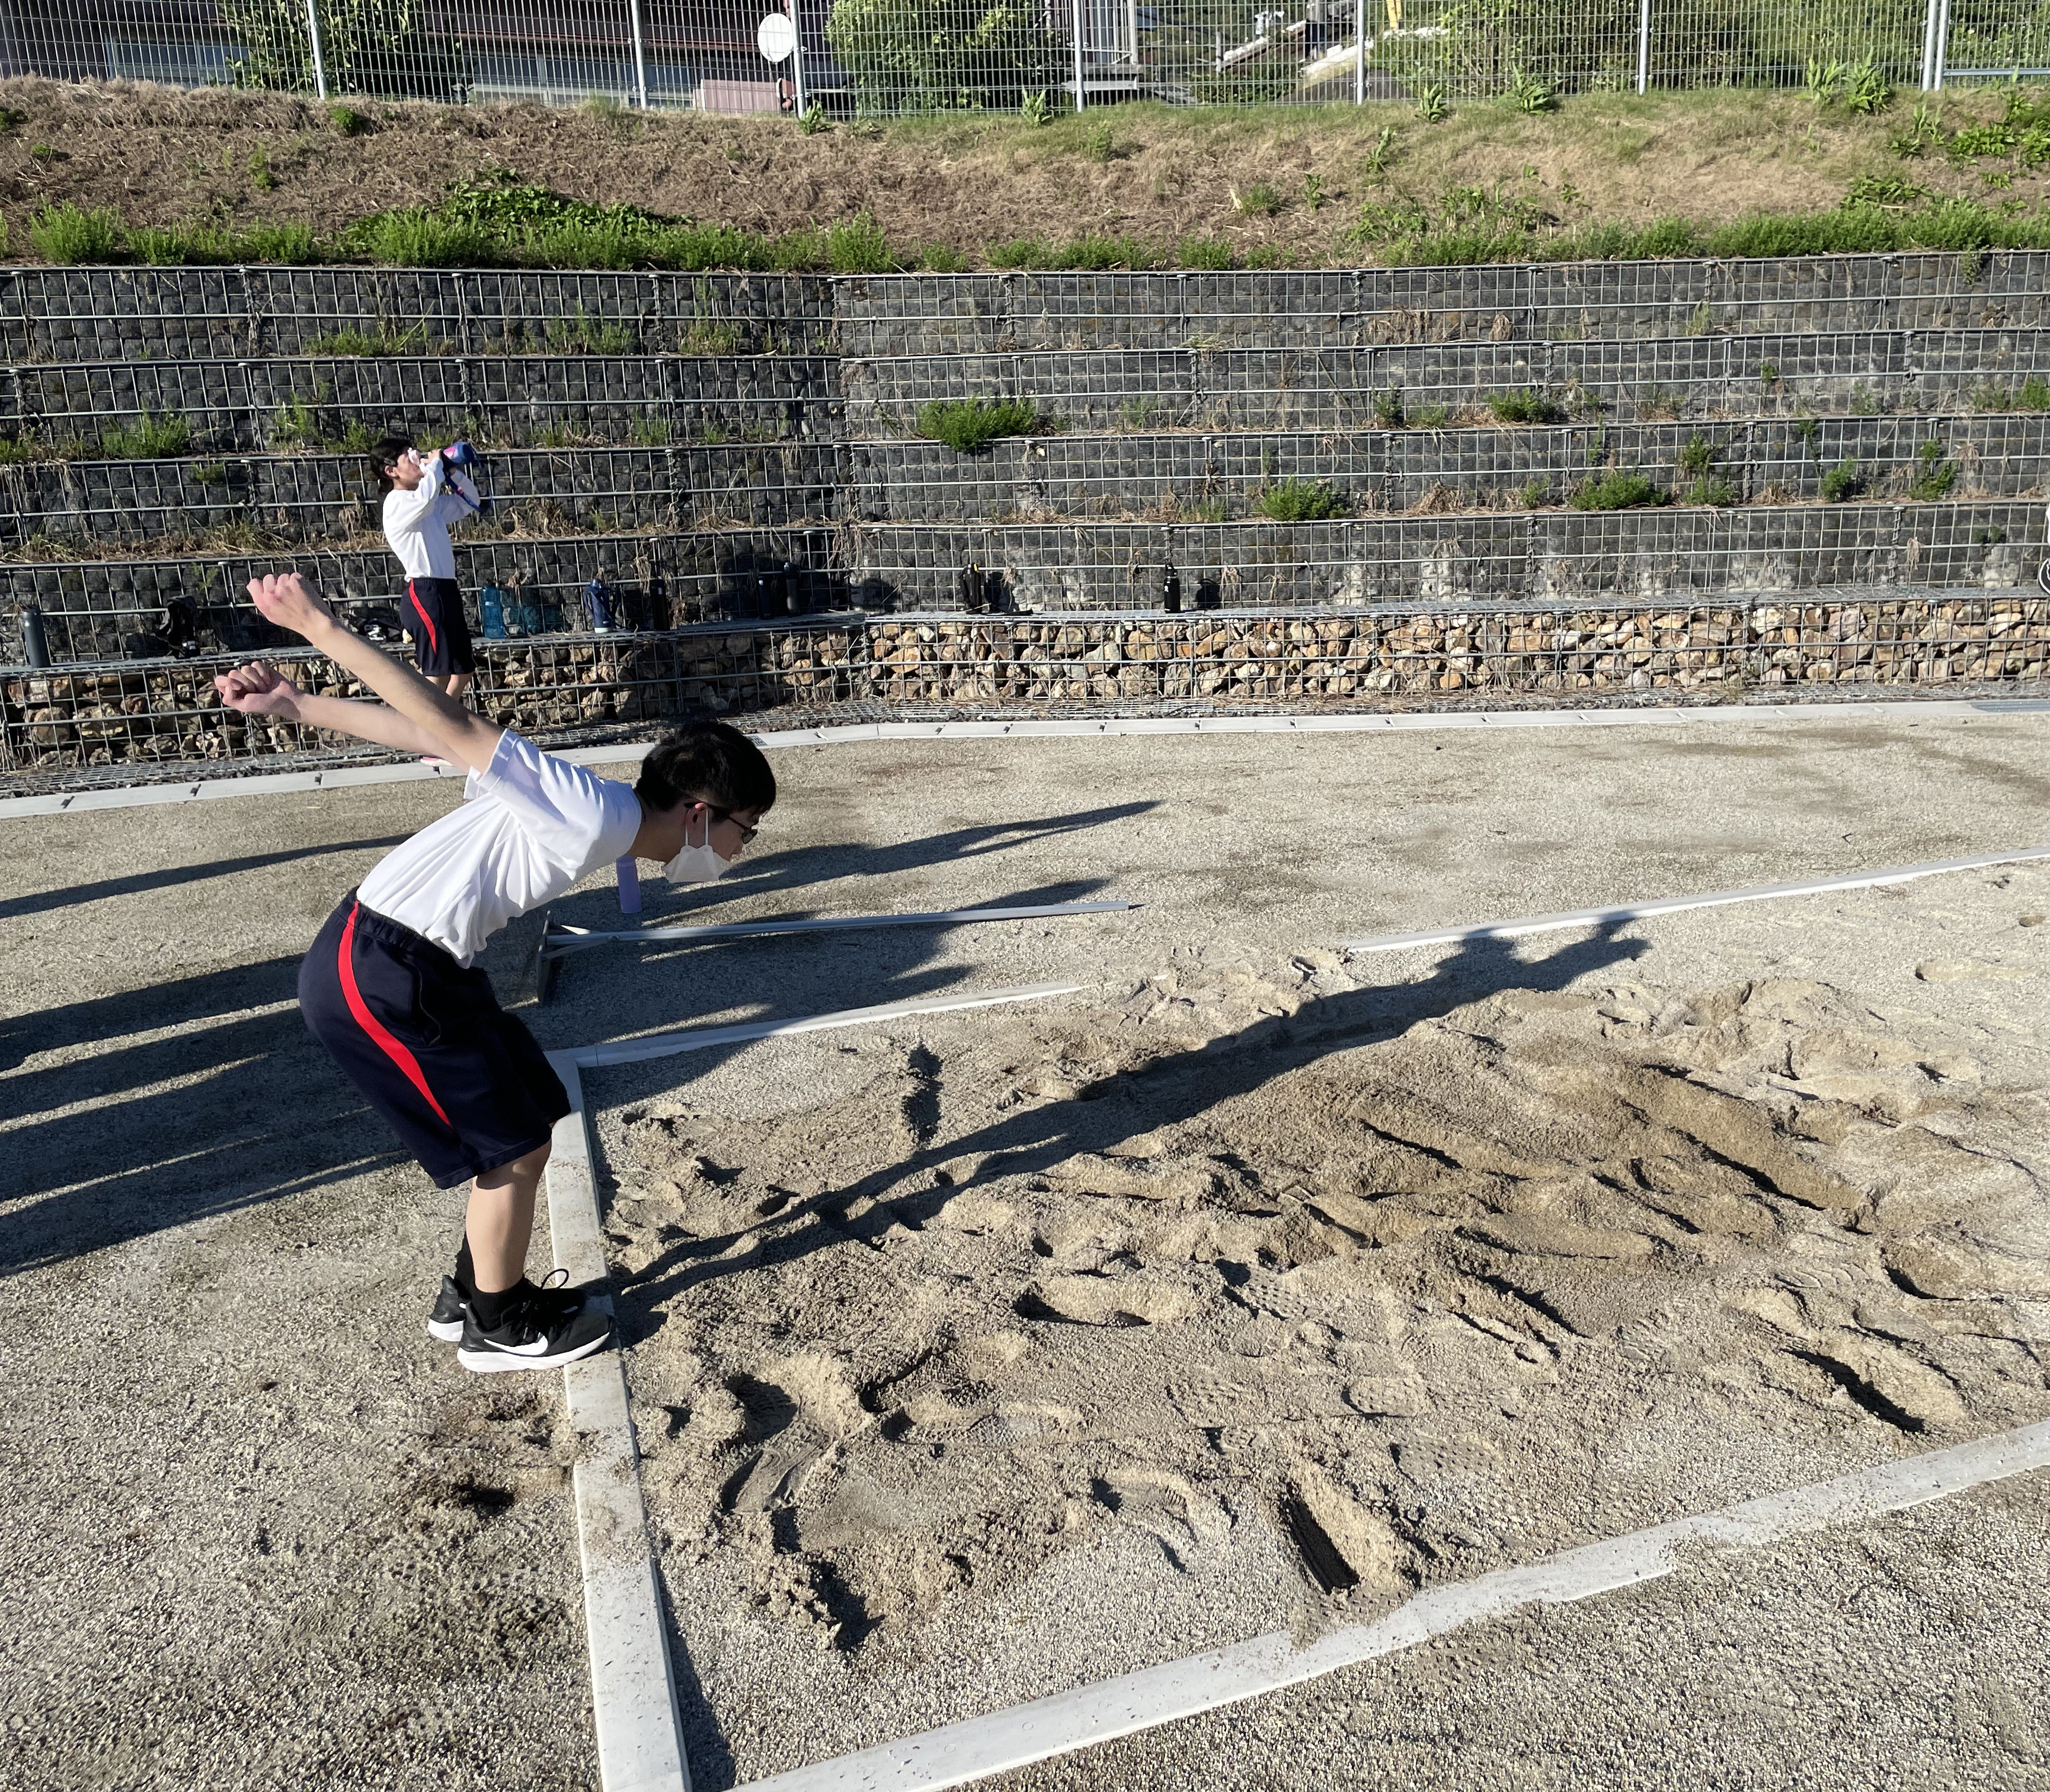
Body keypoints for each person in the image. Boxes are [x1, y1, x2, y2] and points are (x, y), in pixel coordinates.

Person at [213, 571, 776, 1374]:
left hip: (418, 961)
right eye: (744, 832)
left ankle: (475, 1290)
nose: (739, 851)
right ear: (698, 814)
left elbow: (432, 737)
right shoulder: (592, 813)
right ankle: (497, 1326)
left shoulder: (592, 811)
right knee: (506, 1150)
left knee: (532, 1107)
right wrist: (322, 630)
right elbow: (449, 718)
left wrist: (297, 705)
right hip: (382, 969)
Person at [372, 434, 482, 702]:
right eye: (409, 457)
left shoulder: (427, 503)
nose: (417, 459)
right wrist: (434, 465)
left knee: (463, 670)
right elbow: (424, 499)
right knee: (437, 674)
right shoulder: (396, 503)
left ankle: (446, 720)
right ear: (391, 471)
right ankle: (424, 724)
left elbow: (470, 502)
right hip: (425, 592)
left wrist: (452, 472)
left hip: (446, 589)